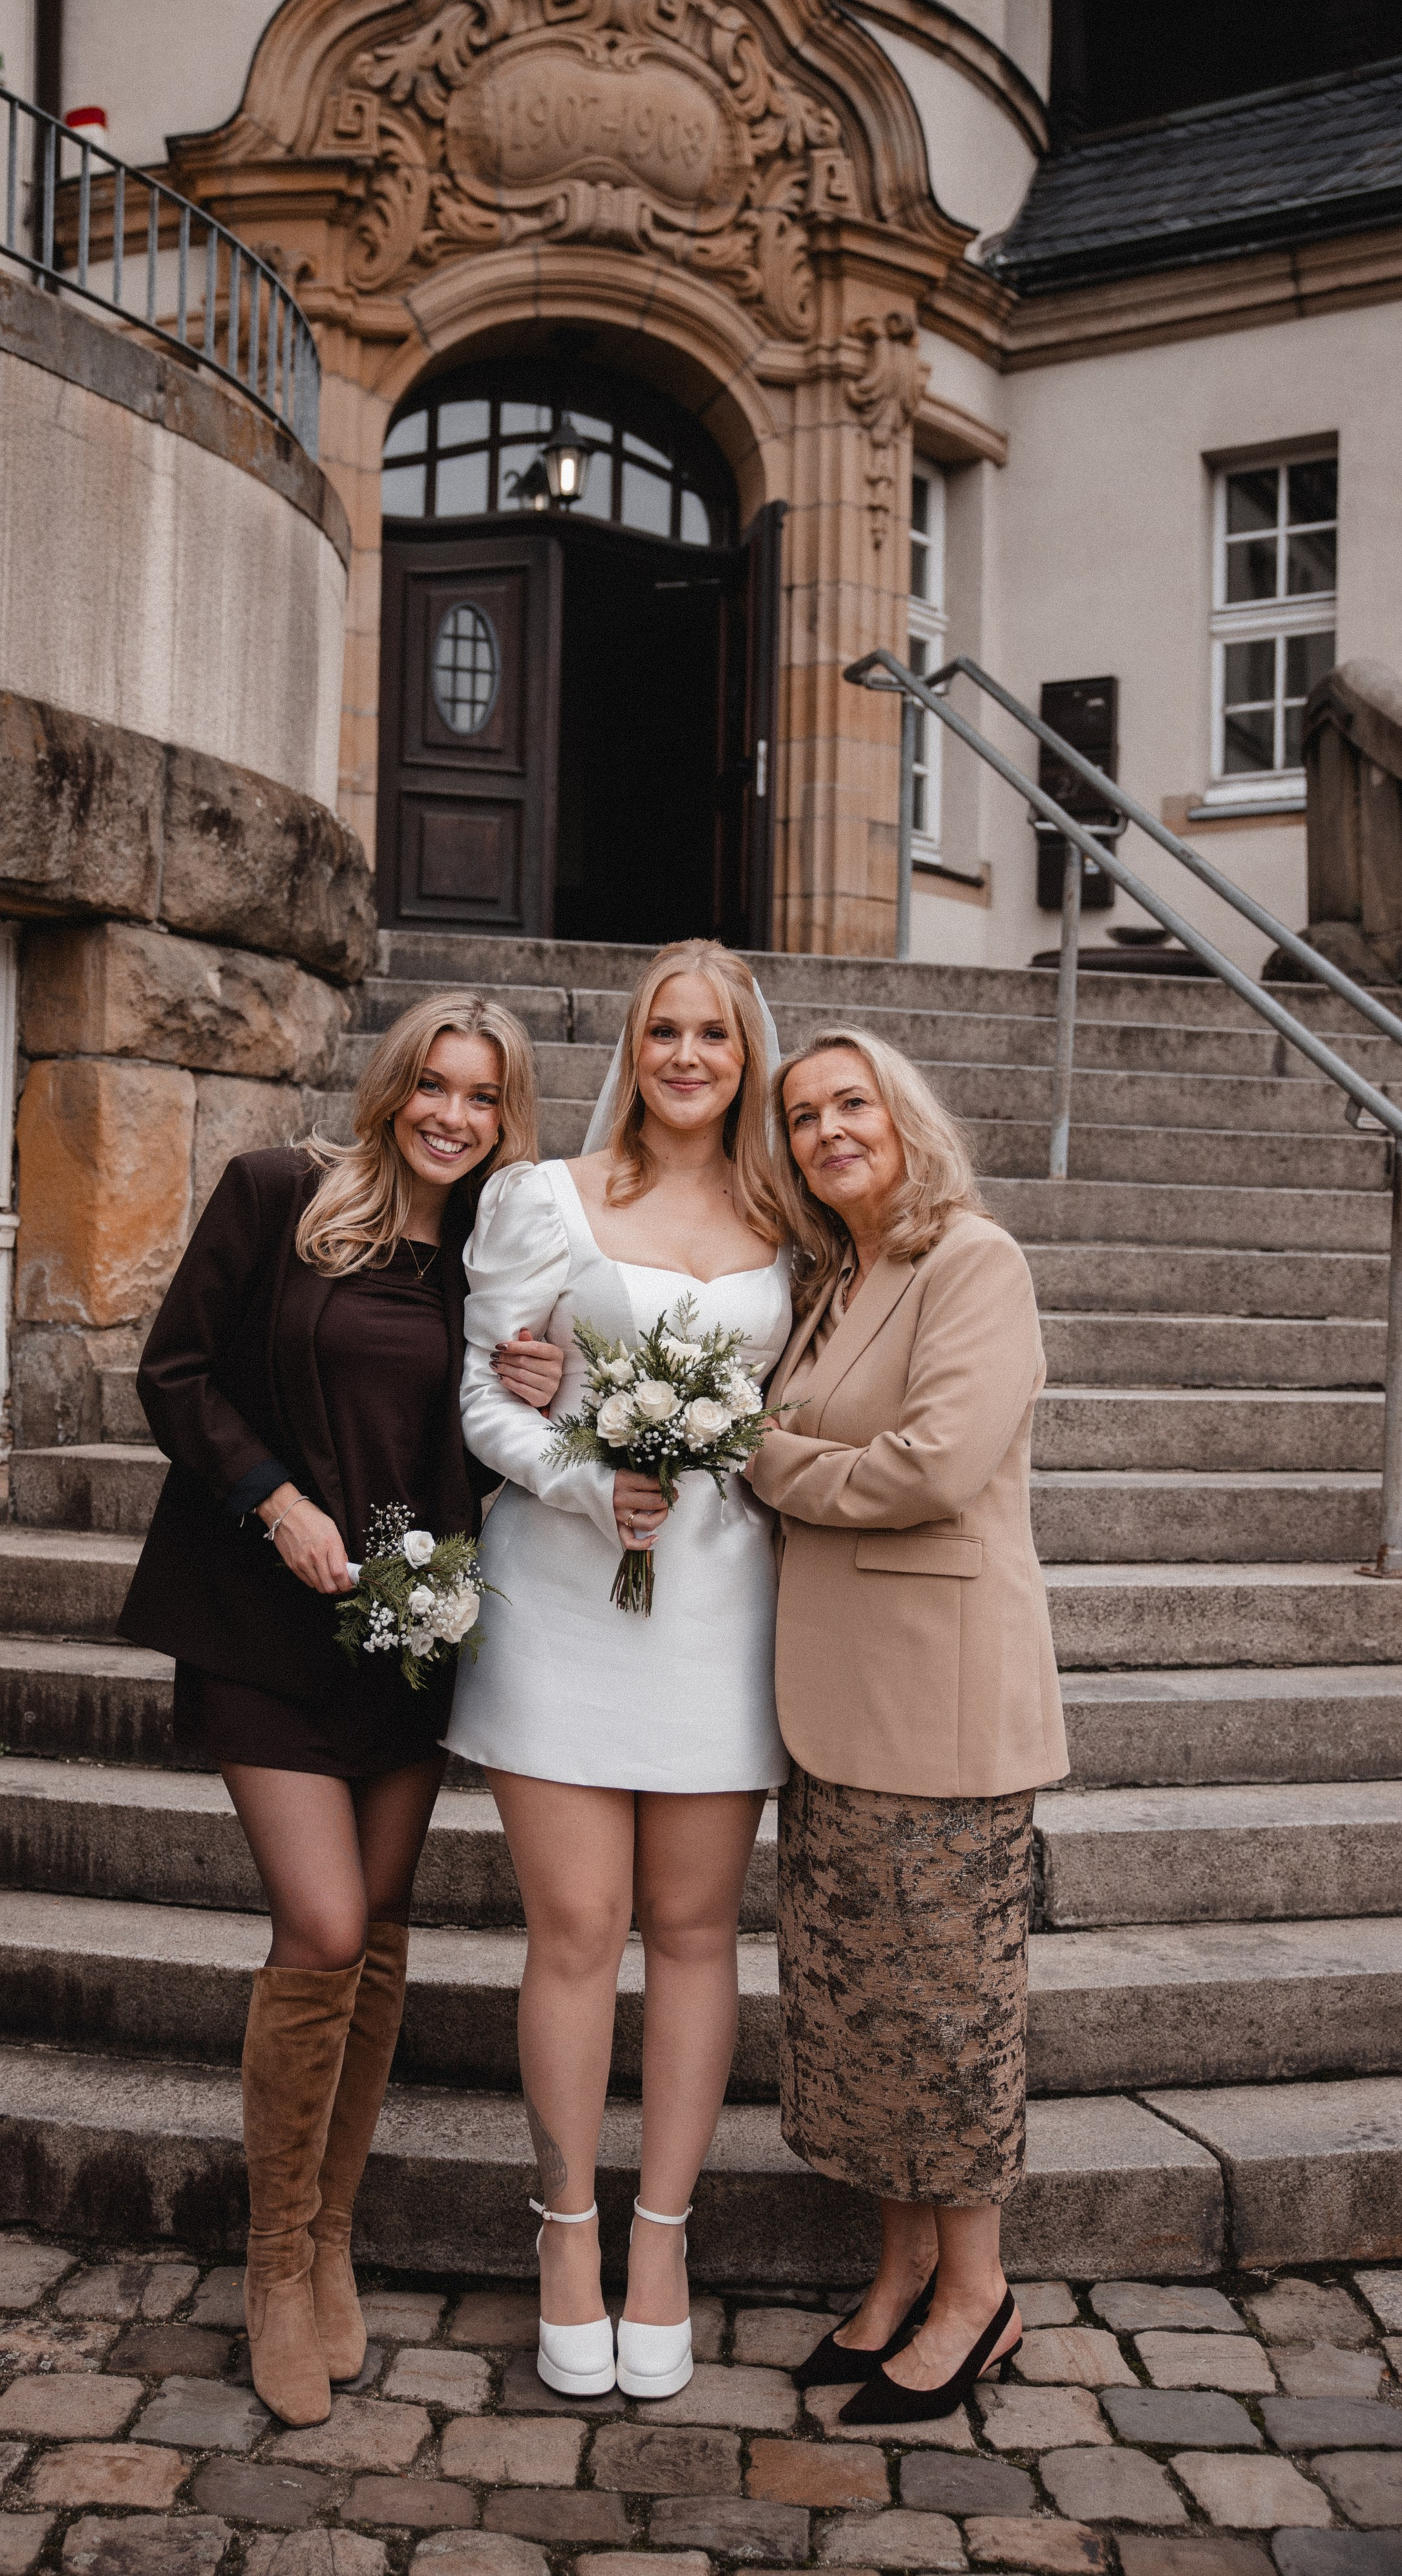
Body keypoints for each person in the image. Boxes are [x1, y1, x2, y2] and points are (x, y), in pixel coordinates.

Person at [118, 994, 561, 2427]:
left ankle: (328, 2236)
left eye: (481, 1097)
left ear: (507, 1118)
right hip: (262, 1614)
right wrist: (273, 1502)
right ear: (392, 1088)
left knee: (375, 1933)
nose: (452, 1114)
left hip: (404, 1634)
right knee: (318, 1925)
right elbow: (172, 1373)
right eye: (433, 1085)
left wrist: (535, 1390)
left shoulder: (488, 1263)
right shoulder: (279, 1191)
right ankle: (268, 2262)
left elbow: (488, 1441)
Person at [447, 939, 792, 2402]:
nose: (687, 1055)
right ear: (636, 1047)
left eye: (713, 1032)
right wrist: (580, 1474)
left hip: (722, 1608)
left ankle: (663, 2236)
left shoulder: (791, 1218)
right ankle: (565, 2231)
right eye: (665, 1028)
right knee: (577, 1927)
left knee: (696, 1930)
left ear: (743, 1052)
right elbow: (479, 1385)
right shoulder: (548, 1199)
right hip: (562, 1595)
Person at [745, 1024, 1068, 2425]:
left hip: (941, 1706)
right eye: (804, 1115)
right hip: (829, 1709)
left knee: (946, 2022)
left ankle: (976, 2298)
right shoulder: (830, 1278)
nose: (826, 1131)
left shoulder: (972, 1261)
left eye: (848, 1103)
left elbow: (933, 1465)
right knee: (852, 2019)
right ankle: (889, 2281)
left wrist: (766, 1461)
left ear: (900, 1115)